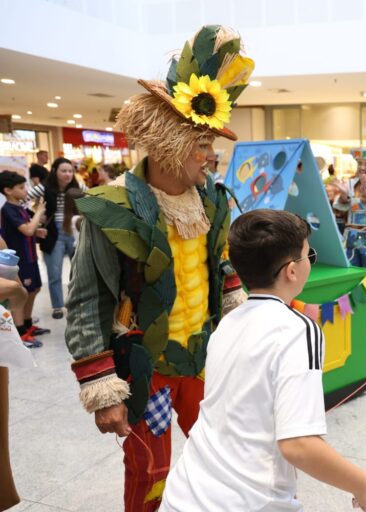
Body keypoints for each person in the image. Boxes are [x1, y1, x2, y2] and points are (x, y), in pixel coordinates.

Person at [64, 25, 249, 511]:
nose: (211, 157)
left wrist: (247, 324)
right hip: (147, 372)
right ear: (169, 142)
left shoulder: (212, 200)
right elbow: (85, 300)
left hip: (203, 361)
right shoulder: (112, 208)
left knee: (221, 459)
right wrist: (102, 388)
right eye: (201, 144)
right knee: (151, 473)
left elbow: (222, 266)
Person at [160, 209, 366, 512]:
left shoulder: (227, 323)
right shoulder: (298, 329)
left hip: (184, 492)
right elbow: (298, 444)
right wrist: (365, 485)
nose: (310, 262)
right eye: (309, 256)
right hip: (247, 503)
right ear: (291, 271)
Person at [333, 148, 366, 337]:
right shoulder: (347, 184)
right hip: (350, 237)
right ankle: (350, 320)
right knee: (349, 280)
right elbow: (338, 211)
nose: (363, 167)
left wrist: (365, 189)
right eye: (360, 163)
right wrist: (343, 196)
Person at [26, 157, 84, 319]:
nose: (68, 174)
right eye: (63, 171)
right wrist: (35, 216)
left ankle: (77, 303)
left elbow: (94, 199)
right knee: (54, 272)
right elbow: (22, 199)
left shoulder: (79, 187)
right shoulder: (44, 188)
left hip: (75, 231)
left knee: (80, 271)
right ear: (54, 171)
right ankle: (57, 306)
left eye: (70, 171)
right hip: (53, 233)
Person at [0, 171, 48, 347]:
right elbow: (26, 230)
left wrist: (36, 231)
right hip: (18, 259)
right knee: (20, 293)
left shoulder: (20, 207)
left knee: (34, 289)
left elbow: (28, 229)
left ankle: (27, 324)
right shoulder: (7, 209)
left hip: (30, 256)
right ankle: (20, 333)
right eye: (21, 187)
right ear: (8, 190)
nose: (26, 190)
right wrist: (39, 212)